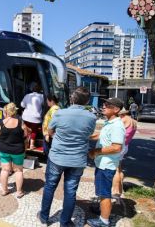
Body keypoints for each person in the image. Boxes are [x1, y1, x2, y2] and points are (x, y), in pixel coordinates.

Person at [37, 87, 96, 226]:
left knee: (50, 186)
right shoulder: (91, 117)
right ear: (87, 101)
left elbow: (50, 131)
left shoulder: (60, 113)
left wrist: (57, 136)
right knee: (70, 191)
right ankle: (65, 222)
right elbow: (88, 134)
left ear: (72, 98)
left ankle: (44, 217)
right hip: (78, 159)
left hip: (57, 157)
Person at [87, 98, 125, 227]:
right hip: (102, 163)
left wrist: (96, 151)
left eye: (107, 105)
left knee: (105, 194)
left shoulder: (117, 126)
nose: (103, 106)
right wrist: (86, 136)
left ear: (116, 109)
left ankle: (104, 221)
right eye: (103, 104)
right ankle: (103, 211)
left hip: (106, 165)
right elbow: (101, 135)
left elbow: (116, 147)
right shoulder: (109, 122)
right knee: (102, 192)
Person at [0, 103, 28, 198]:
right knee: (18, 171)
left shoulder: (1, 123)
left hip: (4, 149)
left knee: (5, 170)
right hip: (18, 150)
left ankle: (4, 190)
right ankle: (19, 192)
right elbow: (25, 134)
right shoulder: (20, 122)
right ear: (14, 111)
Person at [112, 108, 137, 196]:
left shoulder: (123, 120)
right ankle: (120, 189)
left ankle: (116, 191)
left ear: (121, 114)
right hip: (125, 146)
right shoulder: (133, 121)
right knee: (119, 168)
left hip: (120, 146)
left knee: (115, 169)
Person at [21, 82, 44, 149]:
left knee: (27, 130)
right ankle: (31, 145)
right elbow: (43, 105)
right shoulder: (42, 96)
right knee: (34, 130)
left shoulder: (27, 95)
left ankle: (26, 144)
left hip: (26, 117)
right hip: (36, 118)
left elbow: (22, 105)